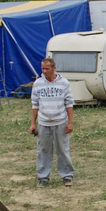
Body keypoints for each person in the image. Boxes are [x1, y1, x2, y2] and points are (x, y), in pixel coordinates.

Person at [29, 57, 76, 187]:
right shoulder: (38, 84)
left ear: (54, 68)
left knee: (63, 149)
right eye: (42, 68)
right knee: (43, 150)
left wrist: (70, 122)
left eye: (47, 69)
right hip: (44, 122)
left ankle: (67, 175)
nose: (44, 71)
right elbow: (35, 104)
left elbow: (69, 103)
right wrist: (33, 123)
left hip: (60, 121)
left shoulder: (64, 83)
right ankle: (43, 177)